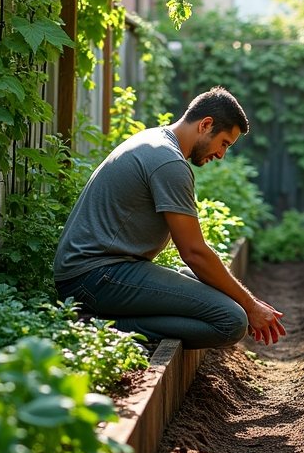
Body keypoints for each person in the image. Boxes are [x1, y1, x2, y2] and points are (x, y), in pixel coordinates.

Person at [54, 86, 285, 349]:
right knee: (231, 320)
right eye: (224, 143)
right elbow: (194, 252)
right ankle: (99, 326)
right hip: (94, 278)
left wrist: (244, 298)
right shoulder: (168, 162)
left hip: (96, 273)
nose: (221, 155)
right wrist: (250, 305)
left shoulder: (156, 141)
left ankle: (108, 319)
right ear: (206, 124)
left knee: (205, 281)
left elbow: (194, 259)